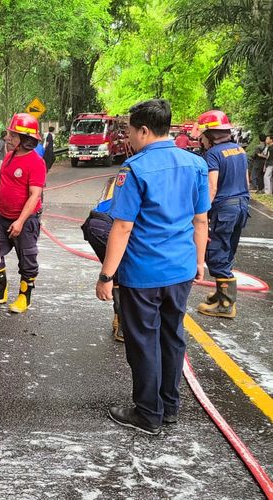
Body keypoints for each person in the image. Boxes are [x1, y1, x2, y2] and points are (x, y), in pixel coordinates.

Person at [96, 99, 209, 435]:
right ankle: (169, 406)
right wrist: (199, 261)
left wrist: (106, 275)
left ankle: (147, 413)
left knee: (143, 340)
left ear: (143, 130)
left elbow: (122, 227)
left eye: (130, 131)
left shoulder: (134, 169)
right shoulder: (195, 164)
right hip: (181, 269)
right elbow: (200, 220)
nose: (128, 138)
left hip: (144, 273)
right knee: (172, 336)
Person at [0, 113, 46, 313]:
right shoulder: (8, 156)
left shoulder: (36, 162)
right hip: (2, 217)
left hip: (25, 220)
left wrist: (21, 221)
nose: (8, 138)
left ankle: (25, 297)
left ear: (26, 139)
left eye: (13, 135)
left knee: (27, 259)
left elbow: (34, 195)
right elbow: (2, 186)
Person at [195, 110, 251, 318]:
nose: (201, 140)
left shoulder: (213, 155)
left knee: (217, 251)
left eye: (202, 135)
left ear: (210, 134)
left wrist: (201, 214)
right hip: (242, 205)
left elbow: (212, 187)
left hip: (224, 208)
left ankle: (226, 304)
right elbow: (246, 181)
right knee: (228, 248)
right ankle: (221, 293)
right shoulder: (239, 150)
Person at [81, 177, 123, 342]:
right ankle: (123, 321)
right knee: (123, 271)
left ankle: (124, 320)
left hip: (101, 224)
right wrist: (106, 277)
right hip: (104, 225)